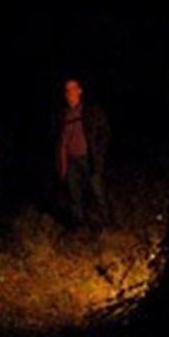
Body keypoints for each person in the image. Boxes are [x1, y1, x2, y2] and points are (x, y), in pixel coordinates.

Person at [57, 78, 111, 230]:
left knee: (97, 191)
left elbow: (105, 132)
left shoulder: (90, 111)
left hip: (88, 158)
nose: (69, 93)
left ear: (80, 91)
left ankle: (107, 224)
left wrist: (98, 154)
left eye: (73, 89)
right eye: (67, 90)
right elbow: (61, 140)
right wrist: (62, 163)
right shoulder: (63, 115)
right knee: (74, 195)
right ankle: (78, 227)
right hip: (71, 160)